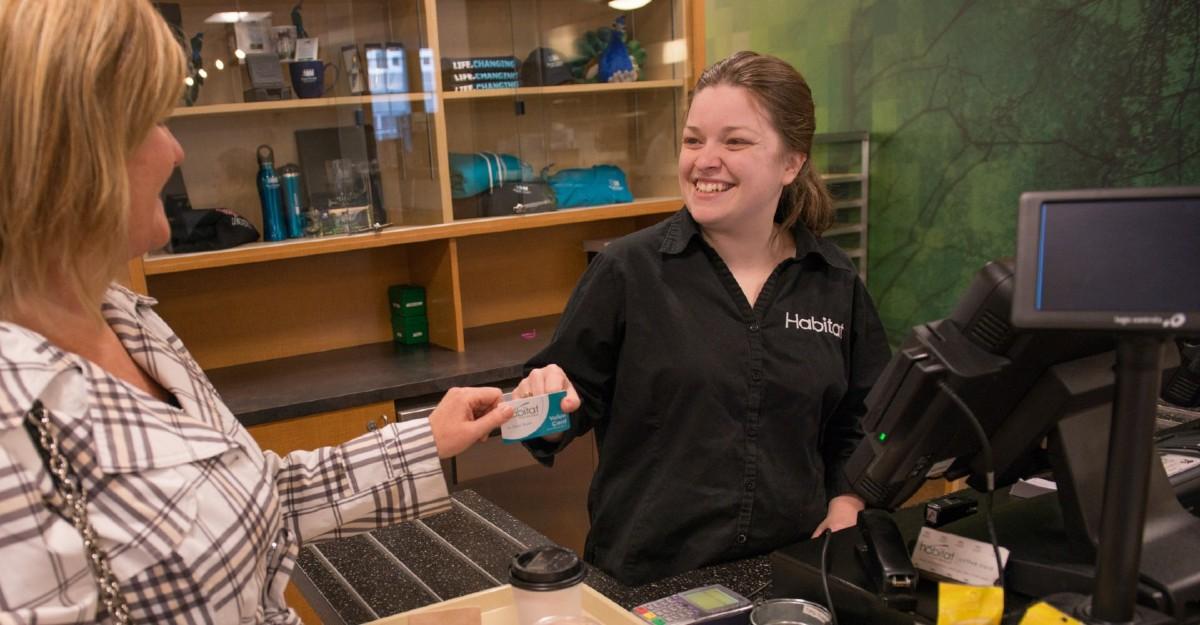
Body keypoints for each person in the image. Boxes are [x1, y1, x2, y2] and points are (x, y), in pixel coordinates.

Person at [0, 0, 511, 622]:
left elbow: (243, 497)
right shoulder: (12, 413)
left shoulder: (127, 318)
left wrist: (424, 440)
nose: (175, 150)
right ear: (67, 153)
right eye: (151, 121)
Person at [514, 51, 891, 585]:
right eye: (694, 140)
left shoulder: (832, 280)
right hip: (646, 580)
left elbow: (864, 422)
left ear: (792, 162)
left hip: (788, 575)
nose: (705, 160)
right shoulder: (628, 270)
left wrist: (849, 499)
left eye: (734, 142)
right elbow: (555, 417)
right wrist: (542, 409)